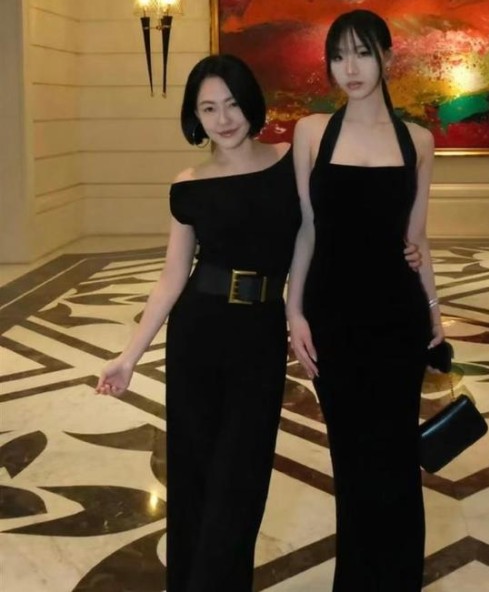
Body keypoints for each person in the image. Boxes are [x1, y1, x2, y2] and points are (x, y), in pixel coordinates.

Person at [96, 52, 423, 591]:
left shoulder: (288, 161)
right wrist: (128, 357)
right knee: (195, 475)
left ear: (250, 103)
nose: (223, 119)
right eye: (208, 109)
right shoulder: (189, 184)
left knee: (241, 481)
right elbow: (171, 277)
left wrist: (399, 247)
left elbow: (326, 221)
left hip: (260, 336)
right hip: (198, 335)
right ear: (194, 117)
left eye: (231, 104)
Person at [286, 9, 445, 591]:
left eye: (361, 53)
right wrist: (293, 311)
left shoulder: (418, 141)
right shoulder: (312, 133)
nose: (349, 68)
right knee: (351, 461)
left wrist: (435, 311)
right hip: (332, 316)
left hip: (398, 316)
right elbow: (307, 229)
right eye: (338, 56)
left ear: (386, 57)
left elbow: (417, 238)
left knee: (398, 459)